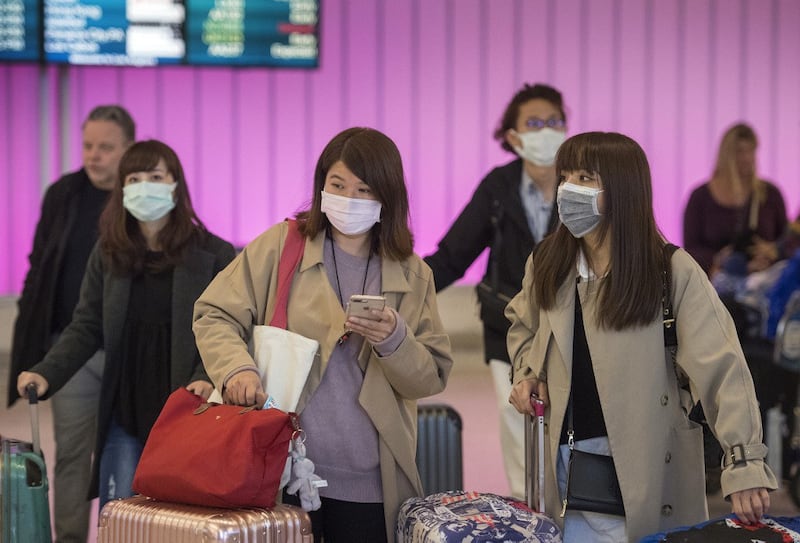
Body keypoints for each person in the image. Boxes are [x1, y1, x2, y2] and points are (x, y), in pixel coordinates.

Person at [507, 132, 777, 543]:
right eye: (564, 177)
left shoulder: (671, 271)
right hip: (564, 468)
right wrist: (527, 372)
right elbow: (524, 324)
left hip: (648, 465)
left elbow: (723, 368)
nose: (568, 190)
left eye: (585, 177)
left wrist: (744, 463)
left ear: (621, 189)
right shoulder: (548, 262)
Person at [193, 127, 454, 543]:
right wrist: (236, 368)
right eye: (337, 185)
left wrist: (394, 340)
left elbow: (430, 377)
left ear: (387, 198)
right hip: (281, 470)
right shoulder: (282, 246)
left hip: (372, 481)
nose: (349, 199)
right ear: (321, 187)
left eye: (364, 189)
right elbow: (214, 312)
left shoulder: (412, 272)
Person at [16, 140, 236, 512]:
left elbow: (227, 329)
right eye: (134, 178)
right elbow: (86, 325)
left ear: (175, 184)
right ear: (122, 189)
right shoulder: (109, 252)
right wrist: (45, 372)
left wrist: (206, 375)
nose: (144, 185)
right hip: (124, 408)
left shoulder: (214, 253)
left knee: (178, 516)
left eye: (155, 176)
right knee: (120, 514)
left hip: (186, 407)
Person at [424, 83, 566, 499]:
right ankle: (531, 519)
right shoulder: (498, 188)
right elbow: (453, 256)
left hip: (572, 332)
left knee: (570, 434)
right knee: (520, 431)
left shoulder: (581, 184)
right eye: (535, 123)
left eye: (555, 121)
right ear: (513, 136)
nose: (547, 131)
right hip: (508, 329)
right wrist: (400, 288)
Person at [7, 104, 134, 543]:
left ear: (128, 149)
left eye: (105, 147)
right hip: (72, 347)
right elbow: (40, 266)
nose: (94, 155)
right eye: (87, 145)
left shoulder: (139, 196)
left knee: (128, 452)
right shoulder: (63, 194)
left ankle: (126, 534)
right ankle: (71, 538)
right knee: (73, 456)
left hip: (128, 352)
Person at [683, 122, 787, 281]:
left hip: (763, 282)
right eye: (739, 152)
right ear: (726, 155)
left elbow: (787, 241)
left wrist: (772, 251)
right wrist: (717, 259)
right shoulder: (700, 197)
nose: (746, 158)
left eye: (750, 151)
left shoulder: (770, 194)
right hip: (715, 283)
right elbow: (691, 248)